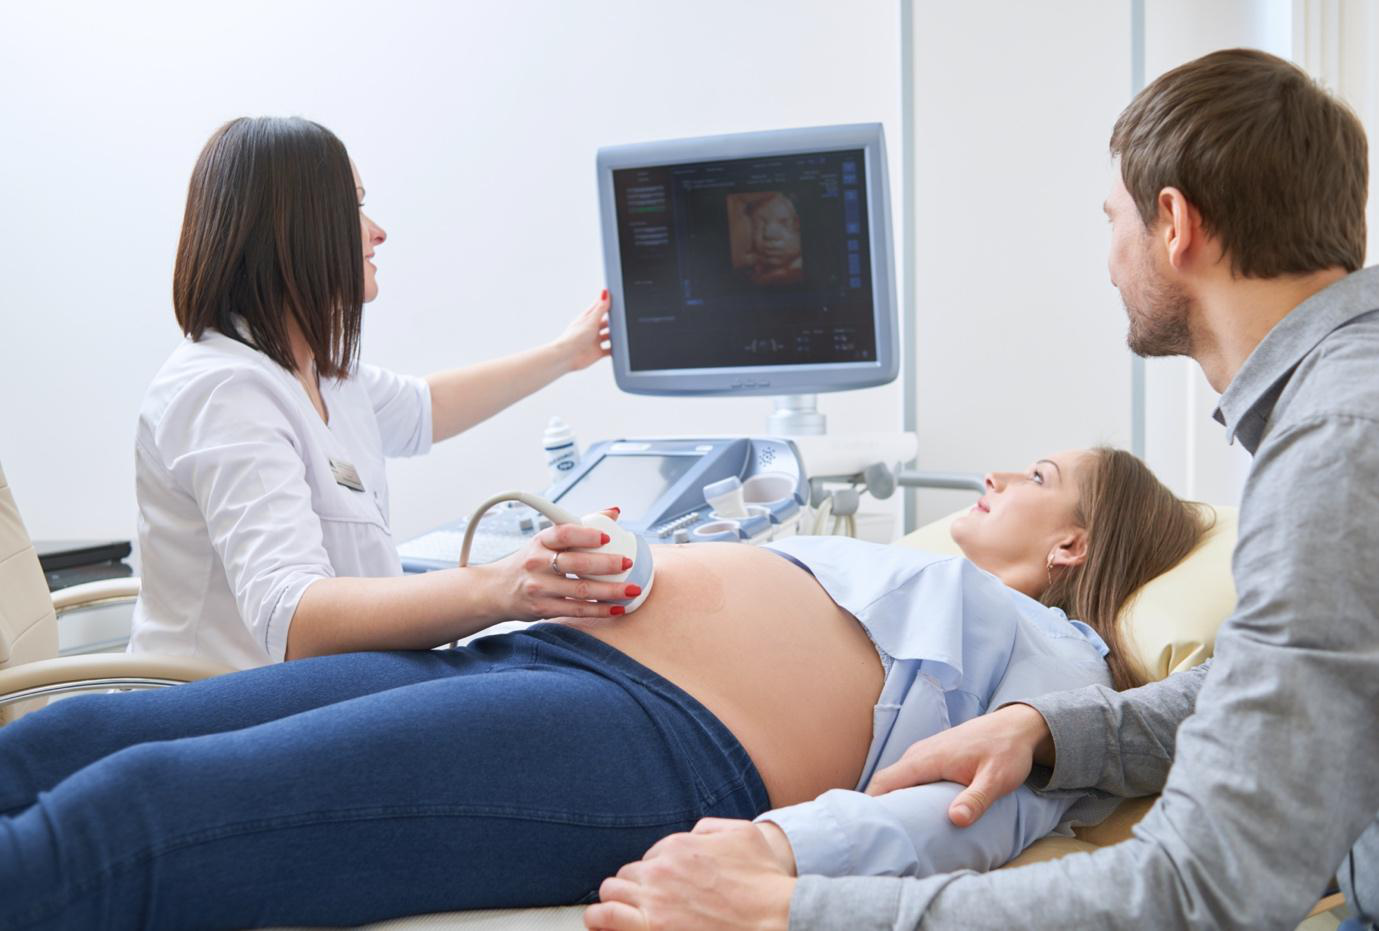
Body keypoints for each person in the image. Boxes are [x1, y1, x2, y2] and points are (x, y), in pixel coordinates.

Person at [586, 48, 1379, 931]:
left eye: (1109, 219)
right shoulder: (1337, 409)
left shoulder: (1336, 443)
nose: (1109, 261)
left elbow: (1200, 889)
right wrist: (1050, 732)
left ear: (1172, 223)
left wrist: (793, 910)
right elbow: (1274, 689)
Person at [0, 448, 1205, 928]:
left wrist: (774, 858)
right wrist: (623, 566)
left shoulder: (1066, 672)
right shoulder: (898, 559)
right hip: (545, 650)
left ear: (1069, 547)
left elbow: (959, 818)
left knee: (146, 807)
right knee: (78, 734)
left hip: (654, 736)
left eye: (1037, 472)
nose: (999, 470)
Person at [130, 116, 632, 670]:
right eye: (354, 208)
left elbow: (426, 408)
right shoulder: (222, 391)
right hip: (229, 720)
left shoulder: (320, 373)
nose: (377, 231)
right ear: (292, 231)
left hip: (333, 690)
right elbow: (291, 616)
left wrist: (566, 354)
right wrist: (504, 585)